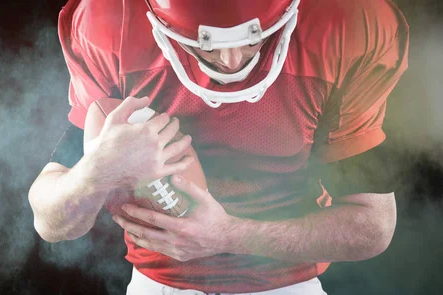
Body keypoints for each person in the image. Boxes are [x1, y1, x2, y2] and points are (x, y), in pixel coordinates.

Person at [28, 0, 409, 293]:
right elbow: (50, 221)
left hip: (285, 284)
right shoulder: (111, 22)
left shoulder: (344, 24)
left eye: (251, 39)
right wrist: (96, 171)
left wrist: (226, 235)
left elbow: (374, 225)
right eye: (207, 44)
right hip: (158, 284)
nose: (230, 61)